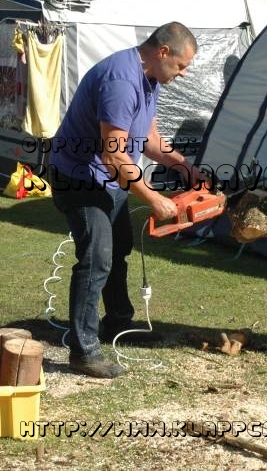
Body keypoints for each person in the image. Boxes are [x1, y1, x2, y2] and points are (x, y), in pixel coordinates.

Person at [49, 22, 204, 378]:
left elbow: (148, 137)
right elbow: (114, 156)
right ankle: (84, 351)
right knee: (96, 258)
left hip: (109, 178)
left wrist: (184, 167)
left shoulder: (150, 79)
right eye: (182, 65)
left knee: (118, 249)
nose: (183, 73)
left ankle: (118, 323)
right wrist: (154, 198)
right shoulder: (120, 80)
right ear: (163, 52)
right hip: (80, 178)